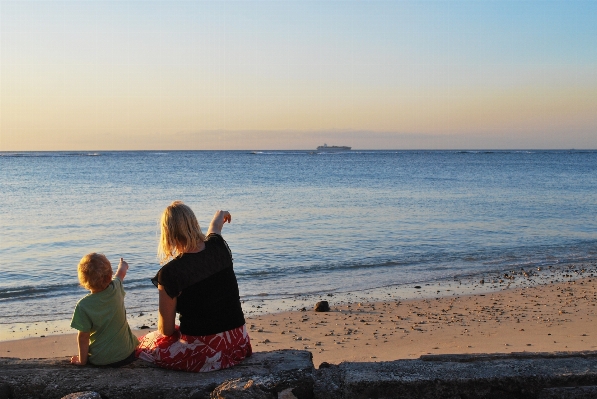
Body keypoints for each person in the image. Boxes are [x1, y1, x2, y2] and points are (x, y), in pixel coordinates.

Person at [136, 201, 252, 372]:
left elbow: (166, 330)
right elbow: (215, 228)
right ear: (194, 223)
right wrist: (220, 214)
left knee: (145, 344)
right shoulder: (218, 246)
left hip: (205, 355)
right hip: (238, 344)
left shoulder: (169, 274)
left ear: (167, 233)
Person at [70, 254, 138, 366]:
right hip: (128, 354)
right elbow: (121, 273)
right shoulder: (116, 287)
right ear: (110, 275)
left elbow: (83, 336)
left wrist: (82, 361)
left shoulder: (83, 305)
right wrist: (123, 265)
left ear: (83, 281)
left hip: (101, 360)